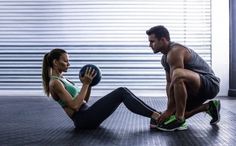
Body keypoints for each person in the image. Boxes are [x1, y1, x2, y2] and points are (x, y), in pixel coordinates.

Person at [42, 48, 161, 130]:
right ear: (55, 62)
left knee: (122, 90)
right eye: (65, 61)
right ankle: (157, 117)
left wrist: (89, 85)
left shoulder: (64, 79)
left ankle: (157, 115)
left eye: (68, 61)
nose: (69, 64)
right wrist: (85, 84)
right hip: (83, 119)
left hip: (87, 114)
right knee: (121, 92)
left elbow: (83, 101)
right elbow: (74, 106)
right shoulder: (55, 83)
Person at [146, 25, 221, 131]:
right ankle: (209, 106)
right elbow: (169, 84)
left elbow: (177, 77)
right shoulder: (164, 59)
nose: (150, 45)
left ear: (162, 40)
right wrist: (170, 109)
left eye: (152, 41)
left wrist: (169, 110)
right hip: (193, 88)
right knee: (176, 112)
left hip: (210, 84)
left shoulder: (175, 51)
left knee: (178, 74)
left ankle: (179, 120)